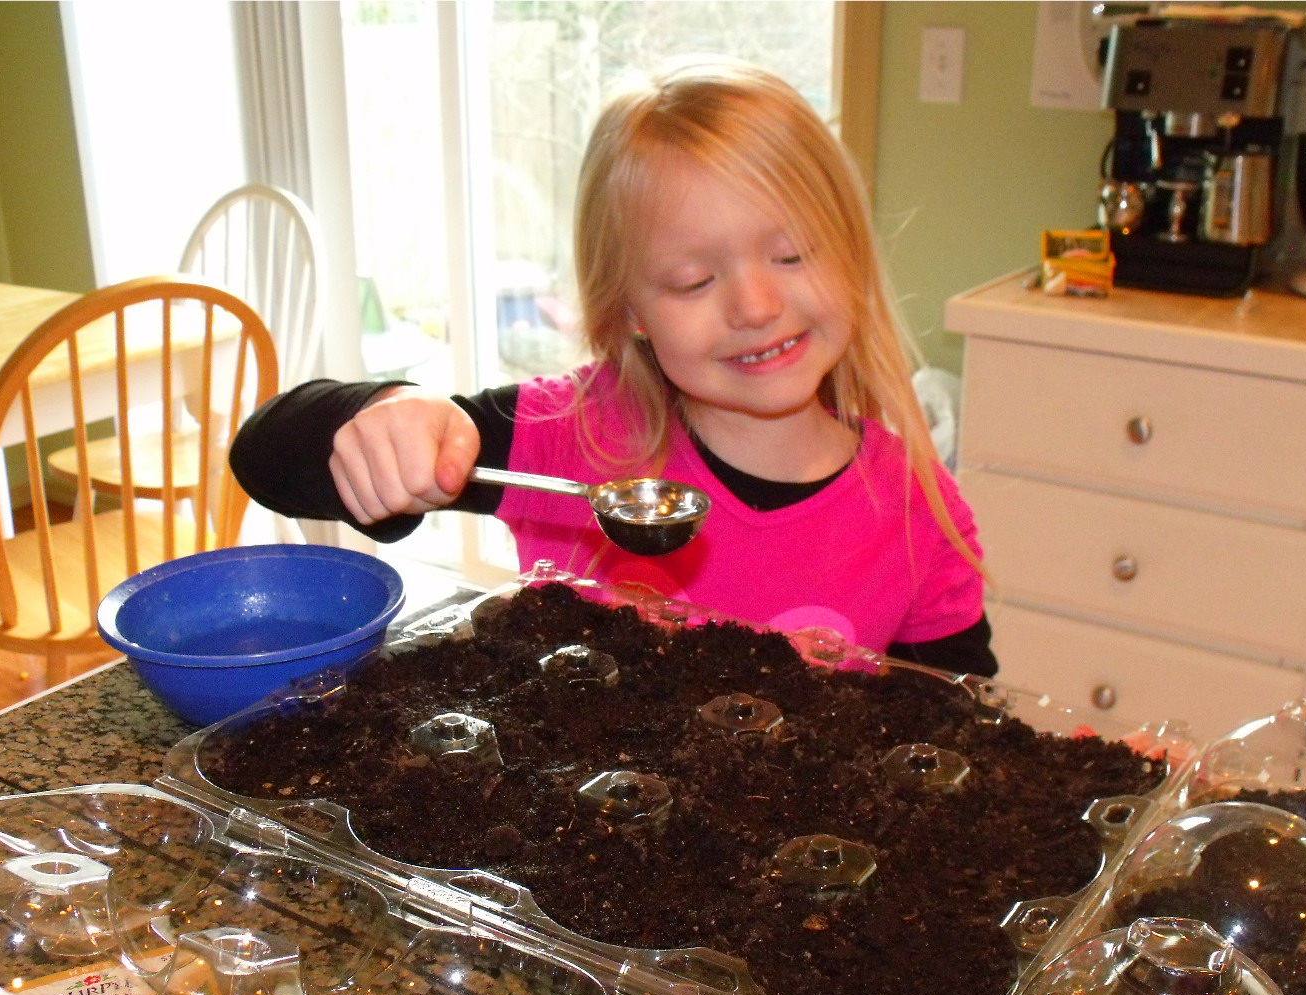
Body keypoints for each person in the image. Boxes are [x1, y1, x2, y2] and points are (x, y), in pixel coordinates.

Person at [230, 57, 998, 677]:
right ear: (630, 309)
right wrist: (392, 414)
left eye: (793, 254)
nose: (757, 305)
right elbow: (265, 454)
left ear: (853, 254)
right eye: (694, 280)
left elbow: (961, 737)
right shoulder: (575, 439)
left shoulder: (916, 513)